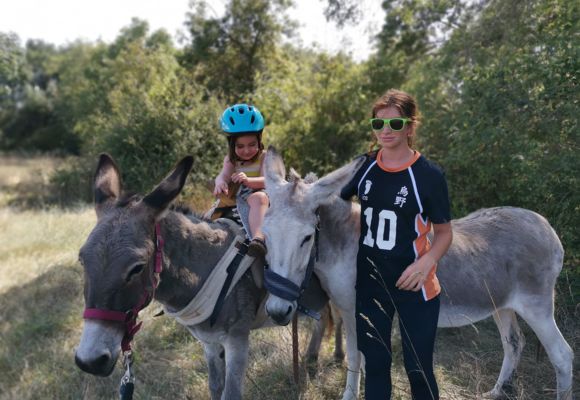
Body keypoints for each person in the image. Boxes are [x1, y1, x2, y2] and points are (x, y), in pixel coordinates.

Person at [340, 89, 453, 399]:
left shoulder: (428, 176)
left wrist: (425, 263)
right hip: (371, 284)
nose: (385, 131)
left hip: (414, 285)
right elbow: (325, 198)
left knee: (418, 369)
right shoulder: (363, 167)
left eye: (394, 123)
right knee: (375, 365)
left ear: (410, 126)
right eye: (378, 124)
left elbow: (444, 233)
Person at [213, 103, 269, 257]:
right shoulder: (231, 160)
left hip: (259, 192)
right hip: (238, 196)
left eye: (252, 145)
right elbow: (223, 175)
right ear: (232, 145)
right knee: (209, 215)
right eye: (240, 146)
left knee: (259, 198)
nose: (246, 150)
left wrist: (249, 181)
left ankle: (258, 238)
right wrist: (220, 183)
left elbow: (267, 181)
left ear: (259, 140)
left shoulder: (264, 157)